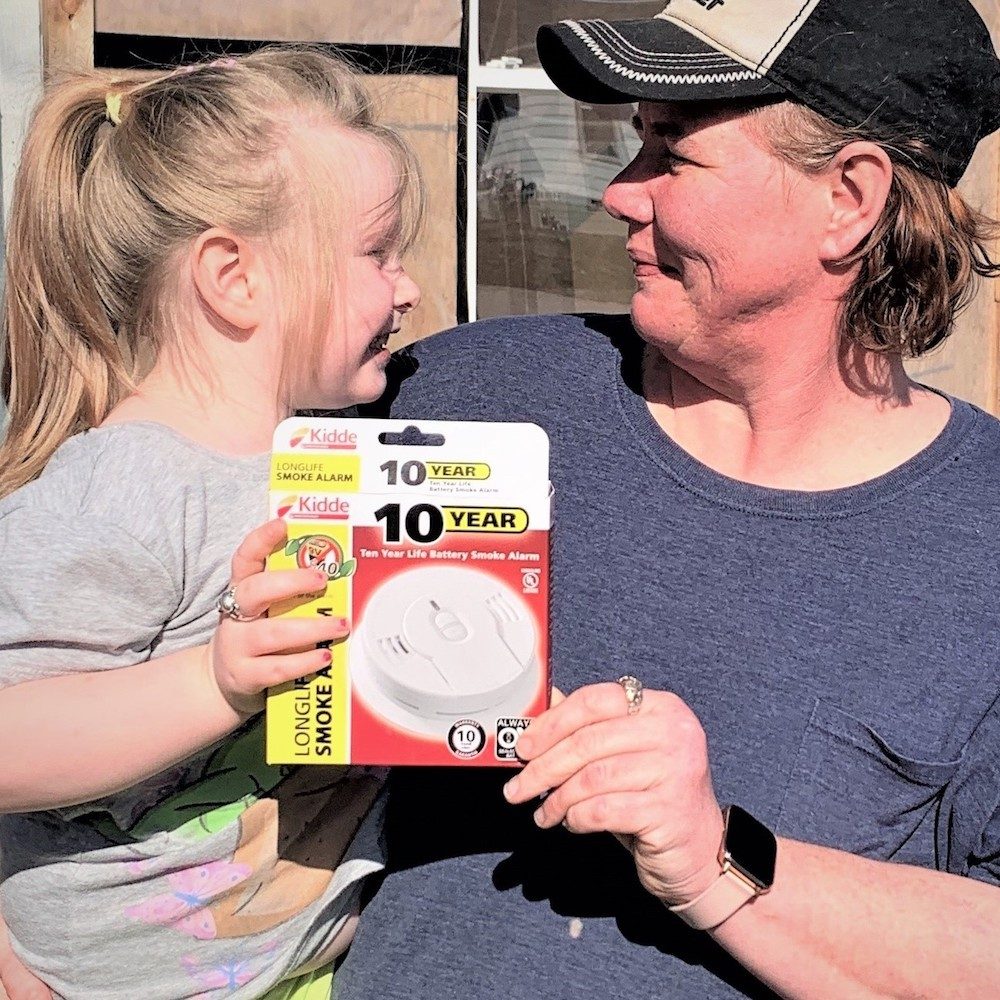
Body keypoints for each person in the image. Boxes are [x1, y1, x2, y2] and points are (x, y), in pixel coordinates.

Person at [329, 1, 1000, 997]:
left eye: (671, 154)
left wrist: (715, 856)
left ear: (849, 198)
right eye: (631, 143)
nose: (616, 194)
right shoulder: (460, 401)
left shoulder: (980, 537)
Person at [0, 48, 421, 998]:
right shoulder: (125, 489)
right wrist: (214, 680)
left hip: (305, 962)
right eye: (376, 252)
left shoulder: (346, 455)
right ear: (233, 277)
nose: (408, 291)